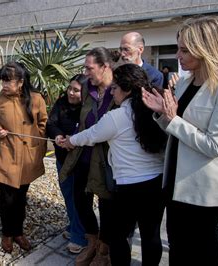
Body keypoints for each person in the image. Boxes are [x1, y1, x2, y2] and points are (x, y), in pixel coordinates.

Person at [141, 17, 218, 265]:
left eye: (184, 49)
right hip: (177, 177)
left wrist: (173, 119)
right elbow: (175, 128)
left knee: (201, 244)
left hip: (208, 185)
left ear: (205, 49)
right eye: (178, 48)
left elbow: (215, 145)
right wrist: (163, 114)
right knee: (178, 242)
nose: (178, 55)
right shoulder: (184, 82)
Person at [62, 64, 167, 265]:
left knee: (117, 236)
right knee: (150, 235)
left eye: (115, 88)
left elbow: (91, 135)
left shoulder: (117, 117)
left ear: (126, 89)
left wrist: (70, 140)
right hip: (156, 183)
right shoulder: (155, 111)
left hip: (130, 187)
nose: (112, 91)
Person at [58, 47, 121, 266]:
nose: (85, 73)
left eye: (89, 68)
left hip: (107, 161)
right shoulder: (86, 87)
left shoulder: (119, 89)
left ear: (105, 67)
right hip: (82, 157)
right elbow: (76, 116)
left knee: (107, 207)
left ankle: (104, 251)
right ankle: (92, 243)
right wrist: (66, 135)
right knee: (81, 203)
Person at [0, 61, 48, 253]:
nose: (4, 85)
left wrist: (37, 141)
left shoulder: (36, 99)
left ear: (20, 82)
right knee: (7, 198)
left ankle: (18, 232)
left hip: (28, 157)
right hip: (7, 154)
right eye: (2, 80)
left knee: (21, 197)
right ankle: (7, 234)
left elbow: (43, 122)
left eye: (8, 81)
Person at [46, 74, 88, 254]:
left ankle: (80, 236)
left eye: (76, 90)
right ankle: (75, 226)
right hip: (62, 158)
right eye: (70, 88)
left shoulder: (88, 107)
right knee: (67, 195)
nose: (71, 93)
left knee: (77, 198)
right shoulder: (61, 103)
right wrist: (57, 135)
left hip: (80, 161)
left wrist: (74, 140)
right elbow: (50, 123)